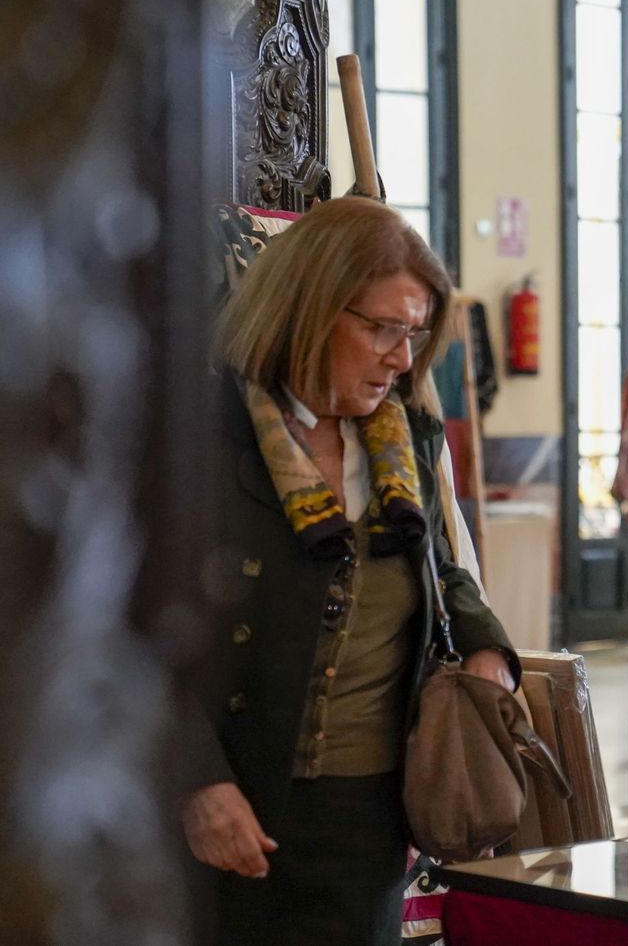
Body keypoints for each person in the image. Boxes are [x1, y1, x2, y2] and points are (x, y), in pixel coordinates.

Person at [182, 197, 520, 945]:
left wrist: (490, 651)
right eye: (381, 328)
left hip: (368, 817)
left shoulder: (407, 439)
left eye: (414, 333)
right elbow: (136, 633)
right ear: (307, 308)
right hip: (234, 800)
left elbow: (438, 565)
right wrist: (196, 782)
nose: (402, 358)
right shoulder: (203, 437)